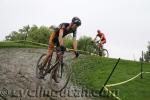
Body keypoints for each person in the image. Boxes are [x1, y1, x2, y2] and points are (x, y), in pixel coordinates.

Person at [39, 17, 81, 81]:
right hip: (54, 37)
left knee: (59, 56)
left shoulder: (74, 30)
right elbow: (60, 35)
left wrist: (76, 51)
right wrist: (61, 45)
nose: (76, 27)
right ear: (72, 23)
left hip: (59, 39)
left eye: (78, 26)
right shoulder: (63, 25)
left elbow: (74, 40)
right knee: (50, 53)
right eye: (76, 25)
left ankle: (54, 74)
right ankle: (41, 67)